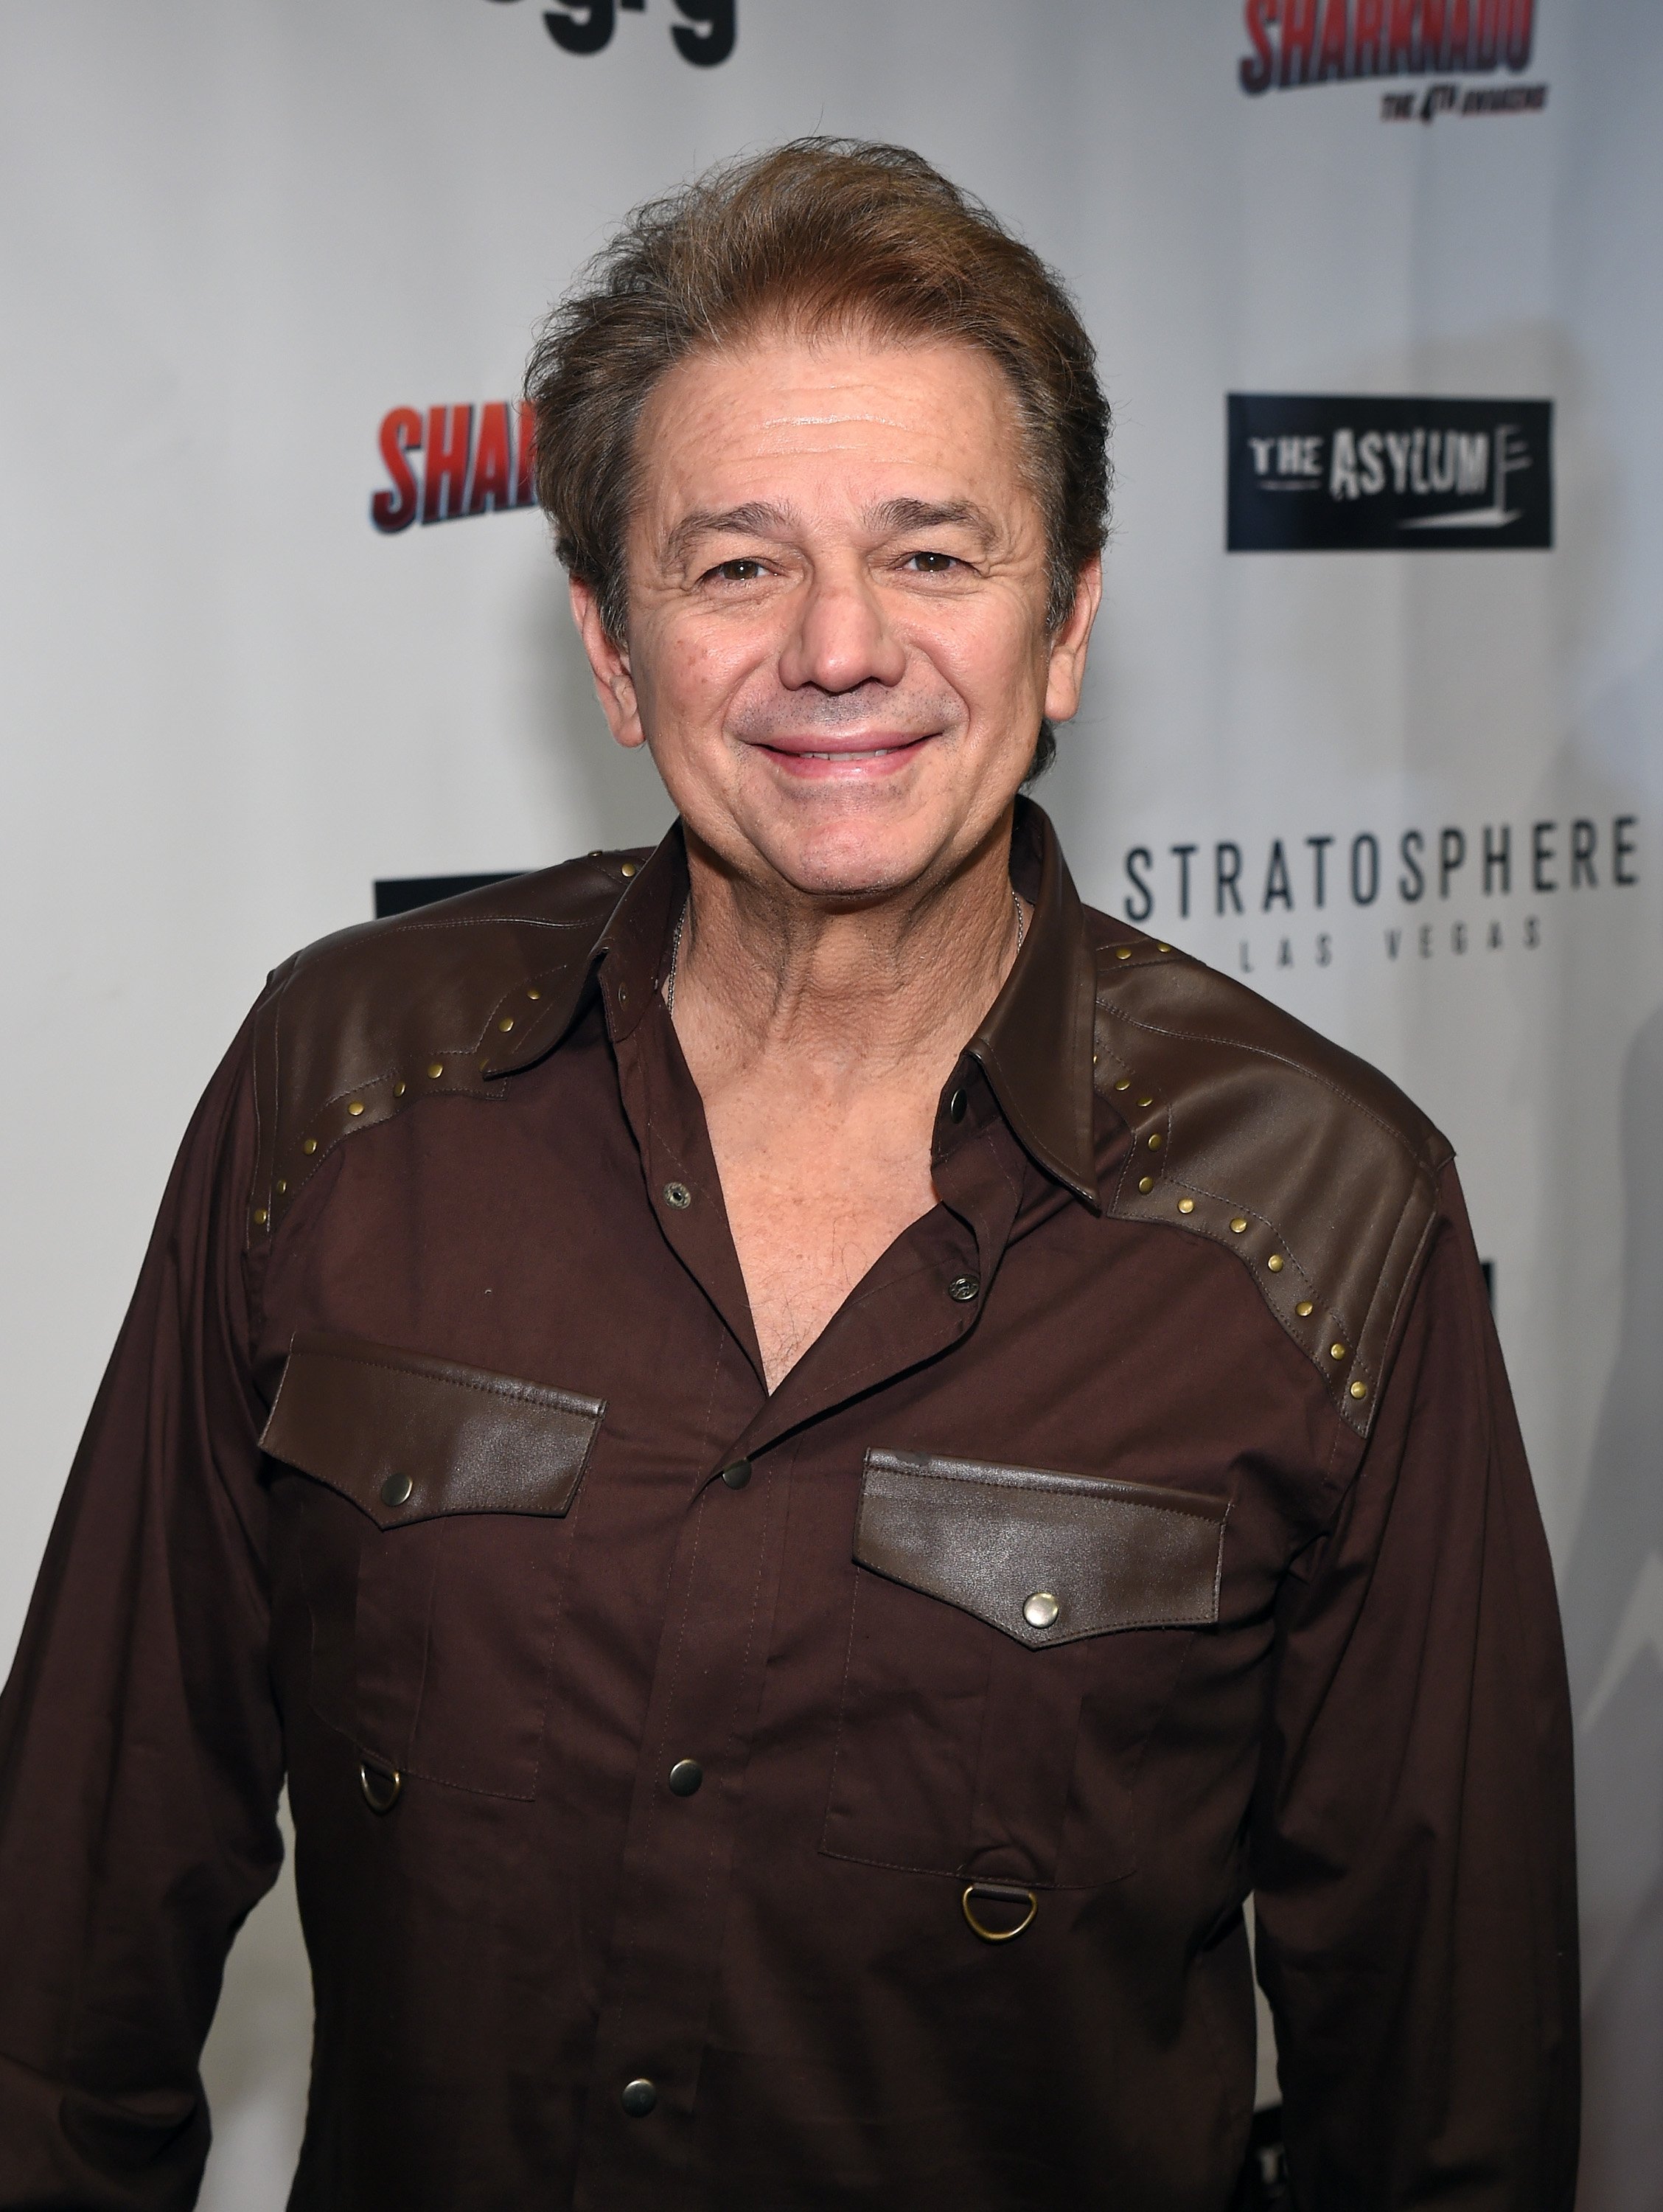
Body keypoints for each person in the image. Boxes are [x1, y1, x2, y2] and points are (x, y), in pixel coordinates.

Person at [0, 139, 1577, 2211]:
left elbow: (1443, 2106)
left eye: (935, 555)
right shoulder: (344, 1089)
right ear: (611, 647)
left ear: (1070, 623)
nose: (840, 649)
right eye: (737, 563)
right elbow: (65, 1952)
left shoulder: (1321, 1211)